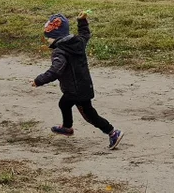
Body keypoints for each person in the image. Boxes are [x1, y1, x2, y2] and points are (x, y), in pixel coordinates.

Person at [32, 11, 123, 149]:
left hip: (77, 91)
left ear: (56, 36)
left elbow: (56, 70)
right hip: (81, 86)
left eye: (48, 38)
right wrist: (82, 21)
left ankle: (112, 132)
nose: (48, 41)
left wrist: (39, 80)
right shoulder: (78, 42)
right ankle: (67, 127)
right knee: (64, 103)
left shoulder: (60, 51)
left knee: (90, 115)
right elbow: (85, 34)